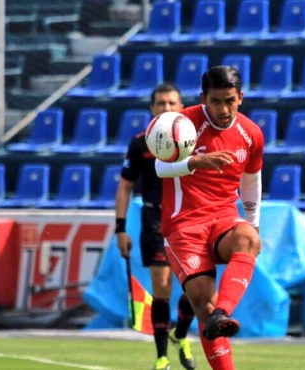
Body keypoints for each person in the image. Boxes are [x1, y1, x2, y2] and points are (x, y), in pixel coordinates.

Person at [155, 66, 264, 370]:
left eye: (230, 100)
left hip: (222, 217)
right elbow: (159, 169)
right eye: (216, 101)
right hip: (182, 225)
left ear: (240, 97)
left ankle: (223, 313)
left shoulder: (251, 133)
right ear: (203, 98)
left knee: (249, 239)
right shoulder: (180, 124)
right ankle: (215, 317)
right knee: (203, 304)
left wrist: (253, 222)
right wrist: (195, 162)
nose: (224, 109)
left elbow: (251, 180)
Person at [115, 83, 197, 370]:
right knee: (161, 288)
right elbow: (125, 187)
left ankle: (181, 334)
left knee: (196, 289)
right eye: (161, 103)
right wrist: (120, 228)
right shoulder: (140, 143)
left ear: (182, 107)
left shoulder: (193, 139)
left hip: (189, 219)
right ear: (151, 108)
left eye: (172, 103)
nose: (166, 108)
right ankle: (162, 358)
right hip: (155, 220)